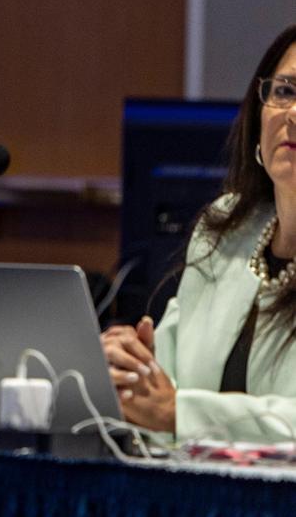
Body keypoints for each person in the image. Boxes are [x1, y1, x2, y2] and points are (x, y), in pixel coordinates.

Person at [102, 25, 296, 442]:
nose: (293, 114)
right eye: (285, 91)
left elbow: (176, 408)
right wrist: (134, 368)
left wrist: (179, 413)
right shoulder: (226, 227)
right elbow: (170, 380)